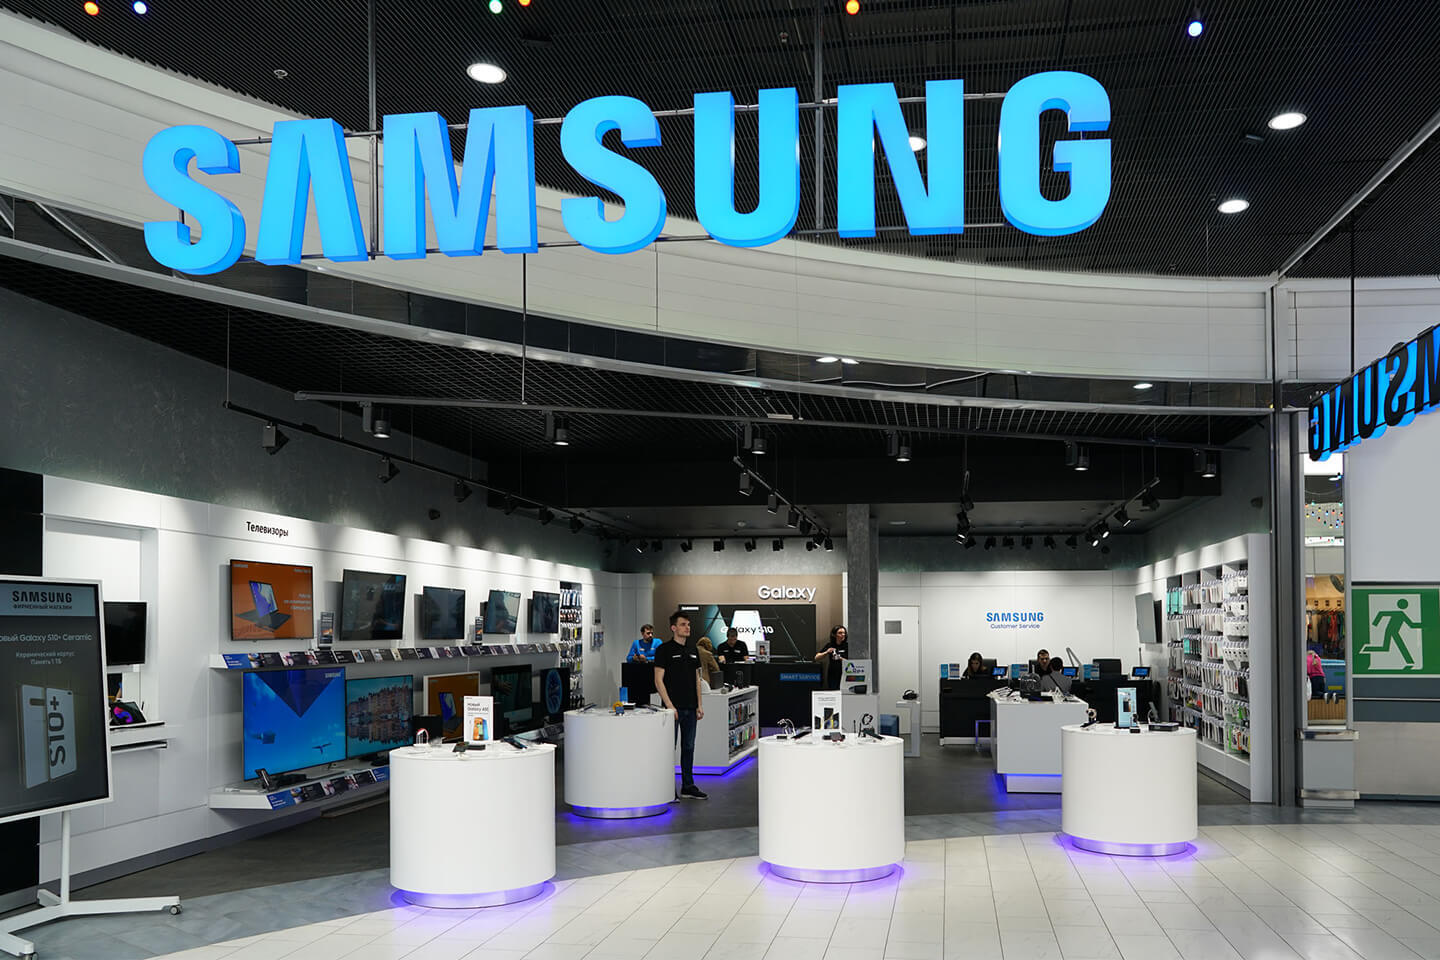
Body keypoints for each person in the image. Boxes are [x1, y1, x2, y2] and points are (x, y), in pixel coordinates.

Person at [654, 610, 707, 800]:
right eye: (683, 624)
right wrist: (669, 705)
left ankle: (688, 785)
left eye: (689, 624)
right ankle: (668, 788)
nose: (687, 627)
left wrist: (699, 704)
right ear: (673, 628)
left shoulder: (693, 650)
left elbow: (697, 679)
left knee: (689, 747)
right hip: (672, 709)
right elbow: (658, 680)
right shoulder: (664, 650)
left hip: (691, 707)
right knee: (670, 749)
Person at [815, 625, 849, 690]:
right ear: (834, 635)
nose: (843, 635)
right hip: (832, 673)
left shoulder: (847, 646)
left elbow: (851, 662)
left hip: (845, 673)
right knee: (833, 691)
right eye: (840, 633)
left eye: (844, 633)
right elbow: (816, 657)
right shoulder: (830, 645)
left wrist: (839, 658)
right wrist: (826, 652)